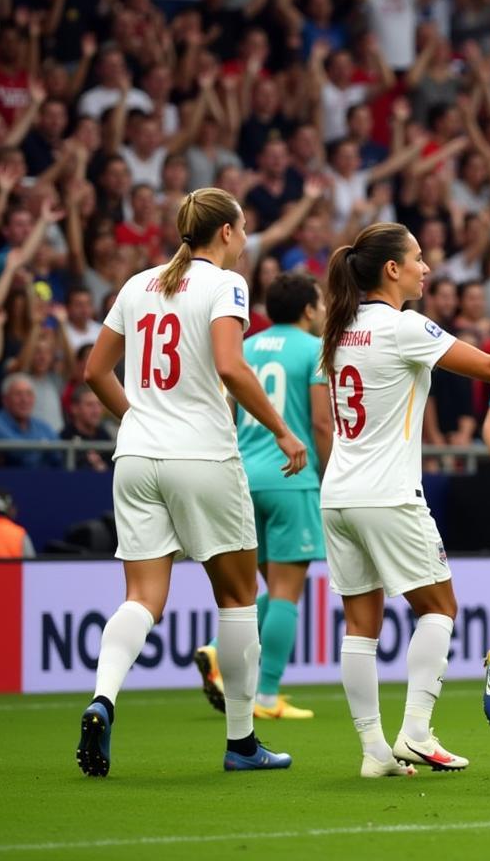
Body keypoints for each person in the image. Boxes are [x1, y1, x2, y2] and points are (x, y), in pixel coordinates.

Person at [320, 221, 490, 779]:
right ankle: (415, 731)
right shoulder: (404, 327)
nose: (426, 267)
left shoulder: (339, 328)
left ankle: (373, 752)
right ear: (392, 270)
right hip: (388, 494)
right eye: (418, 258)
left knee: (360, 626)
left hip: (338, 493)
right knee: (440, 609)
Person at [77, 188, 308, 778]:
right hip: (201, 456)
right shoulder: (225, 285)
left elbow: (94, 371)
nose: (247, 239)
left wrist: (136, 418)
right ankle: (241, 742)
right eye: (245, 228)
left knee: (142, 597)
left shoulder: (137, 284)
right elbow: (231, 365)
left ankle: (103, 699)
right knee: (235, 598)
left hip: (136, 458)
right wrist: (282, 431)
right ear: (226, 233)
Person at [194, 272, 332, 721]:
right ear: (309, 309)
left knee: (258, 592)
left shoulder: (246, 347)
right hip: (292, 475)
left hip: (244, 476)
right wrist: (328, 472)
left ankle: (218, 650)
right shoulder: (314, 350)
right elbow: (321, 424)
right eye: (321, 302)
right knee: (288, 592)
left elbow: (227, 412)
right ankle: (267, 693)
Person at [0, 487, 34, 558]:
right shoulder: (19, 534)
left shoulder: (19, 533)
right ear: (10, 510)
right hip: (12, 569)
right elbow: (31, 566)